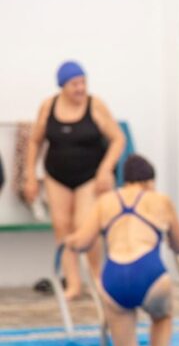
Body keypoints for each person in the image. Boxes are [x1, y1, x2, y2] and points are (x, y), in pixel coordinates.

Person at [66, 154, 179, 346]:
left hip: (114, 277)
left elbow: (83, 243)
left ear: (125, 181)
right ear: (149, 181)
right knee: (162, 317)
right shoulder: (160, 199)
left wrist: (70, 240)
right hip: (149, 273)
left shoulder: (106, 201)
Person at [24, 61, 126, 299]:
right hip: (56, 176)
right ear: (62, 86)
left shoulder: (96, 105)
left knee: (85, 226)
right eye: (74, 84)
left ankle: (97, 280)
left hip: (89, 176)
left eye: (83, 83)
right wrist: (30, 176)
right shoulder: (48, 107)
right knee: (62, 227)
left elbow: (118, 139)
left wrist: (105, 169)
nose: (80, 89)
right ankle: (73, 284)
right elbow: (35, 141)